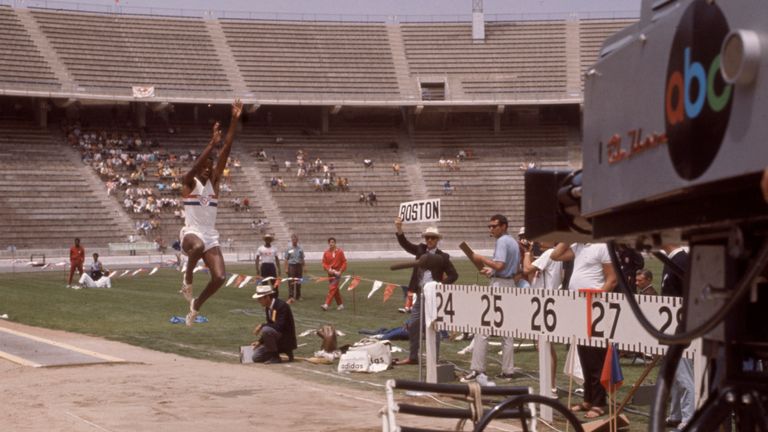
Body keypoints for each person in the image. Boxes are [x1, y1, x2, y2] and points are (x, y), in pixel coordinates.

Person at [179, 99, 243, 326]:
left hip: (209, 234)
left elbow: (226, 149)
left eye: (211, 167)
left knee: (220, 277)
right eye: (205, 167)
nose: (208, 169)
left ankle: (196, 304)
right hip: (191, 233)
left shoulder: (214, 186)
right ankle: (187, 280)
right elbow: (199, 164)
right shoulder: (188, 184)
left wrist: (234, 121)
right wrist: (210, 144)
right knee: (196, 247)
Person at [551, 242, 617, 419]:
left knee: (596, 356)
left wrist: (597, 301)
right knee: (584, 355)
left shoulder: (602, 246)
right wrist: (567, 238)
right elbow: (555, 256)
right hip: (578, 305)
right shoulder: (578, 246)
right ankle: (588, 398)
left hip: (594, 306)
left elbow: (612, 278)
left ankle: (599, 402)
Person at [462, 214, 520, 381]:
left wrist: (481, 259)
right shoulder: (513, 242)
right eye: (490, 226)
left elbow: (500, 264)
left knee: (483, 328)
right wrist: (492, 272)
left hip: (499, 287)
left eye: (494, 226)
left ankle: (477, 369)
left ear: (504, 226)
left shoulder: (502, 241)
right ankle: (508, 371)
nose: (491, 229)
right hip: (509, 285)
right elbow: (511, 268)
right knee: (508, 331)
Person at [394, 218, 458, 366]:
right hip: (420, 293)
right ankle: (413, 357)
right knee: (414, 324)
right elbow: (405, 244)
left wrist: (440, 285)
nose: (429, 240)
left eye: (432, 238)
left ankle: (433, 359)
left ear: (437, 240)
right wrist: (399, 228)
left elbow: (454, 275)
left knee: (433, 326)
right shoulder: (420, 250)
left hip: (434, 296)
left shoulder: (443, 257)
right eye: (427, 237)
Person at [522, 240, 562, 391]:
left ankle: (550, 385)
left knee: (544, 345)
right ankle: (549, 383)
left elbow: (527, 269)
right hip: (545, 302)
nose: (538, 242)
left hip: (545, 303)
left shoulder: (549, 253)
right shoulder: (552, 255)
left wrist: (526, 252)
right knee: (544, 346)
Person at [661, 244, 693, 431]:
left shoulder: (681, 259)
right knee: (674, 375)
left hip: (681, 328)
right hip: (670, 327)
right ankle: (676, 414)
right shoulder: (671, 259)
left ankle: (689, 417)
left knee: (684, 375)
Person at [250, 284, 296, 363]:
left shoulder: (282, 306)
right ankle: (275, 352)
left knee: (266, 329)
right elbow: (271, 324)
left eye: (260, 299)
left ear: (267, 297)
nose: (258, 301)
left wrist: (262, 325)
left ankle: (275, 357)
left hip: (285, 339)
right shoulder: (268, 308)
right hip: (275, 340)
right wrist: (260, 342)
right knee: (256, 357)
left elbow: (279, 326)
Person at [321, 237, 347, 311]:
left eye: (332, 242)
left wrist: (340, 271)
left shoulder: (340, 252)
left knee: (332, 288)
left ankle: (326, 304)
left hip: (337, 274)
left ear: (335, 243)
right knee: (335, 290)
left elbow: (344, 262)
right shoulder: (326, 253)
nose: (331, 244)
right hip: (330, 273)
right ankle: (340, 305)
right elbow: (324, 263)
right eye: (330, 242)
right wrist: (328, 269)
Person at [284, 234, 305, 304]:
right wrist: (286, 268)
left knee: (299, 281)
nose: (294, 241)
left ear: (297, 240)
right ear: (291, 240)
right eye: (293, 239)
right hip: (291, 266)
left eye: (295, 239)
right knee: (291, 282)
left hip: (299, 266)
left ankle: (298, 295)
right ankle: (291, 296)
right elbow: (286, 259)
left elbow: (302, 258)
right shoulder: (289, 249)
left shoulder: (300, 249)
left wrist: (304, 267)